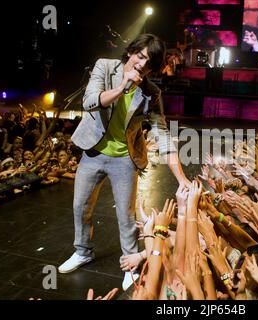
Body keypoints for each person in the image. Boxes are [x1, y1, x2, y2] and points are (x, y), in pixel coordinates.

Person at [57, 33, 190, 291]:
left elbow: (162, 134)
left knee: (126, 215)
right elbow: (90, 102)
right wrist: (121, 88)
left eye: (148, 63)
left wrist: (181, 178)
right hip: (93, 152)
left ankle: (130, 264)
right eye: (139, 57)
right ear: (131, 52)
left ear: (153, 68)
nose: (141, 65)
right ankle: (83, 251)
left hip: (124, 158)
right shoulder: (105, 67)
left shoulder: (151, 92)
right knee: (80, 206)